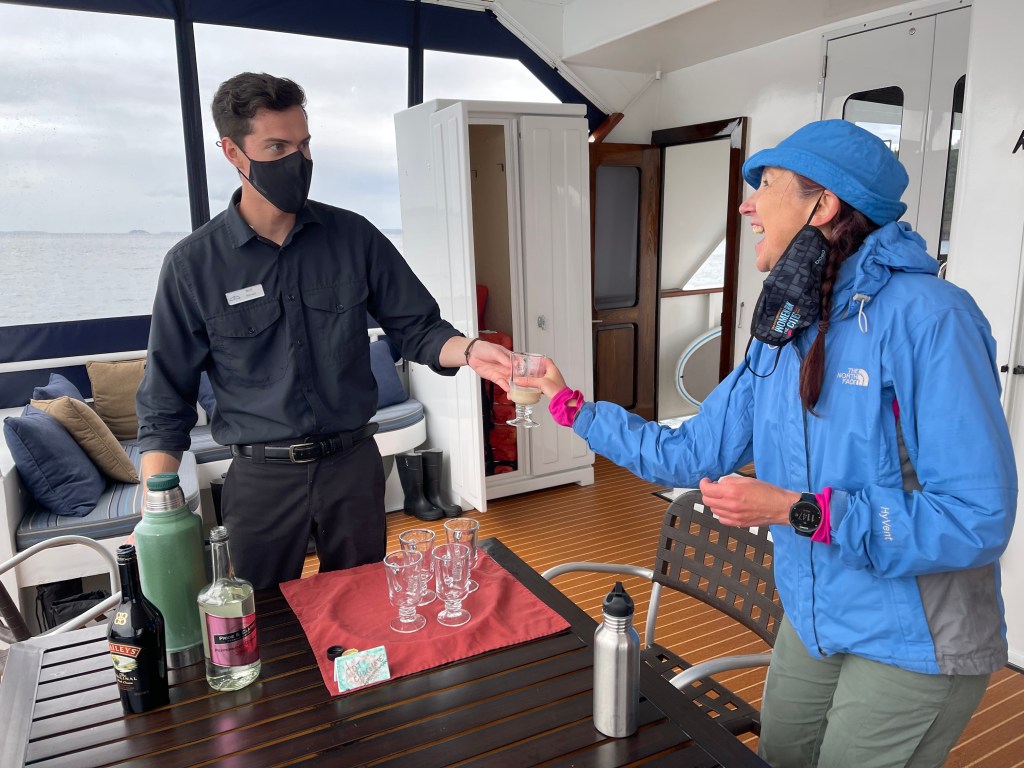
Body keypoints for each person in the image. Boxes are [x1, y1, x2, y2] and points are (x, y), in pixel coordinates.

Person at [522, 120, 1017, 767]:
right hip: (816, 616)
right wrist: (569, 406)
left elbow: (977, 518)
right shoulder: (785, 328)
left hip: (915, 638)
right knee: (776, 756)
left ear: (823, 203)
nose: (746, 204)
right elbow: (690, 453)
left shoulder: (932, 318)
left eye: (767, 184)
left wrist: (797, 510)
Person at [136, 72, 510, 589]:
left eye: (304, 144)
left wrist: (469, 351)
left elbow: (419, 327)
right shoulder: (192, 267)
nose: (298, 160)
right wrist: (155, 510)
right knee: (261, 620)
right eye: (277, 146)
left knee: (362, 611)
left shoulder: (354, 237)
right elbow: (165, 402)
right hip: (261, 483)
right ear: (232, 151)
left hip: (352, 470)